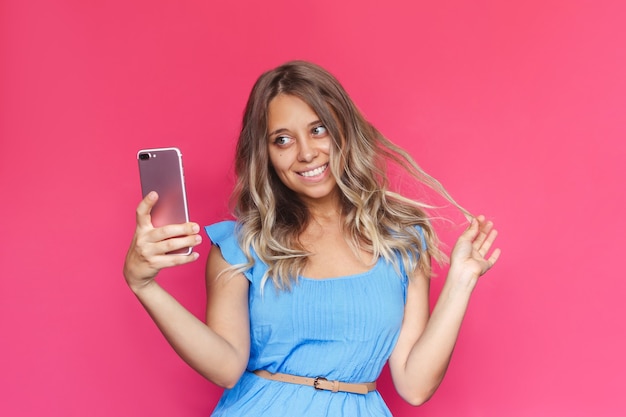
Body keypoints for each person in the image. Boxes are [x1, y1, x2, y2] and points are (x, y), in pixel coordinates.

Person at [123, 60, 500, 416]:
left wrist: (461, 281)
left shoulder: (402, 242)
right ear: (266, 154)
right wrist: (145, 286)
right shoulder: (242, 245)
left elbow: (415, 386)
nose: (306, 153)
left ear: (344, 130)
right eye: (282, 140)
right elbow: (225, 367)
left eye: (318, 129)